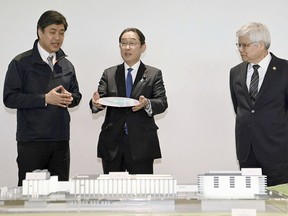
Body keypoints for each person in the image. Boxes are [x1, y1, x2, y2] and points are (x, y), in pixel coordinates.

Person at [3, 10, 82, 186]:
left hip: (61, 140)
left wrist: (71, 98)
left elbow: (76, 94)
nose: (58, 38)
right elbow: (9, 98)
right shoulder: (20, 62)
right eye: (52, 32)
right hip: (32, 141)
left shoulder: (66, 64)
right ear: (40, 31)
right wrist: (45, 99)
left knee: (60, 194)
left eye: (61, 33)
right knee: (29, 195)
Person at [89, 27, 168, 175]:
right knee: (111, 193)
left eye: (132, 43)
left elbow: (162, 102)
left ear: (143, 47)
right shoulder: (109, 73)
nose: (127, 47)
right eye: (123, 43)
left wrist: (147, 104)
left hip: (141, 143)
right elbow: (99, 99)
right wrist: (95, 103)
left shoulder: (153, 74)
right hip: (112, 143)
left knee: (142, 194)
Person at [229, 22, 288, 186]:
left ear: (261, 45)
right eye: (238, 44)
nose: (240, 49)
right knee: (251, 204)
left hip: (278, 153)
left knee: (279, 205)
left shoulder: (285, 70)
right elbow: (240, 108)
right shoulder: (236, 72)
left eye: (244, 45)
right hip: (246, 153)